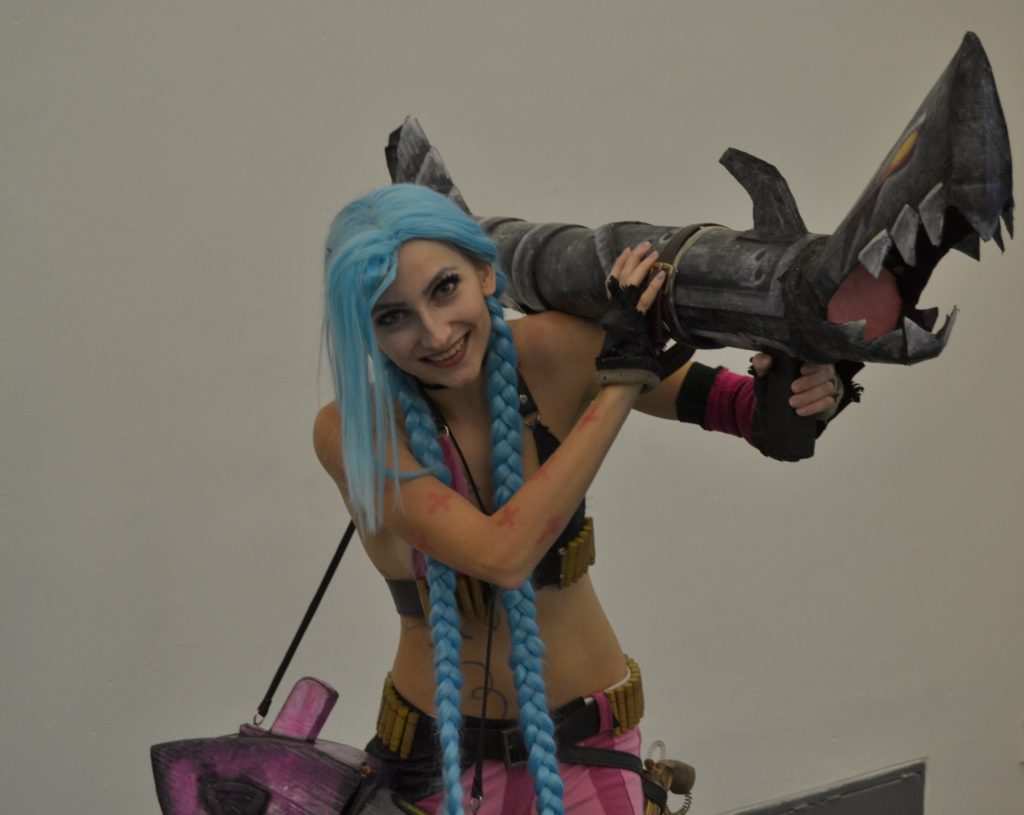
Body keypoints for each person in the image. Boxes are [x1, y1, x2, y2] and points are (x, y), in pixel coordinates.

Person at [313, 184, 839, 815]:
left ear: (485, 273)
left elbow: (750, 415)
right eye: (391, 316)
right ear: (365, 330)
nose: (435, 332)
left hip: (595, 747)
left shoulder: (557, 350)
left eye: (444, 288)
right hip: (440, 769)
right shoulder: (354, 430)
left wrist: (806, 382)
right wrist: (622, 380)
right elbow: (504, 555)